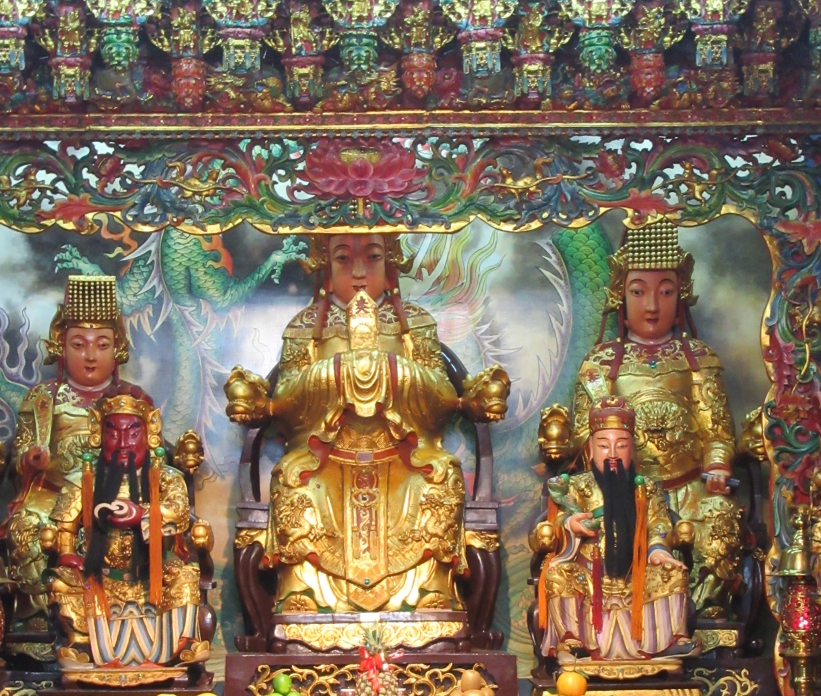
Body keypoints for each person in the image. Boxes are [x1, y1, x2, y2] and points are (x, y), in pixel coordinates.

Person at [224, 232, 510, 650]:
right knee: (295, 485)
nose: (358, 272)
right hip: (323, 458)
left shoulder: (415, 324)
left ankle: (428, 595)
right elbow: (285, 399)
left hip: (405, 456)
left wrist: (389, 371)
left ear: (390, 262)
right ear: (325, 265)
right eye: (344, 259)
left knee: (439, 480)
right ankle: (306, 597)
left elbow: (440, 395)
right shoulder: (305, 328)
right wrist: (340, 371)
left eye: (372, 257)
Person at [569, 218, 740, 614]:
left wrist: (717, 465)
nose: (651, 305)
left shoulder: (699, 359)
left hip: (690, 486)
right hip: (624, 487)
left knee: (720, 516)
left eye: (665, 292)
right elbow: (585, 434)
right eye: (638, 291)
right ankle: (618, 611)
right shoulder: (601, 363)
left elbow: (717, 431)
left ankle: (703, 611)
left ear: (681, 295)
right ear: (620, 294)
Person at [0, 274, 129, 645]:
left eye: (102, 345)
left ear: (117, 348)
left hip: (114, 492)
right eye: (78, 344)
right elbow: (21, 451)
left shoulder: (131, 399)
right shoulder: (43, 398)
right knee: (26, 526)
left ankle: (119, 621)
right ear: (61, 346)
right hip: (50, 493)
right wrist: (31, 459)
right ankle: (39, 622)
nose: (90, 355)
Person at [45, 384, 206, 675]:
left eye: (132, 433)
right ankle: (82, 645)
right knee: (60, 582)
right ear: (98, 431)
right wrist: (68, 554)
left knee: (186, 575)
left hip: (152, 578)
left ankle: (179, 645)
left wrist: (142, 514)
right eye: (112, 433)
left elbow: (180, 514)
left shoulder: (168, 478)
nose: (122, 443)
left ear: (149, 431)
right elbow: (63, 528)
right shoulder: (83, 478)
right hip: (101, 578)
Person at [534, 397, 694, 662]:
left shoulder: (646, 488)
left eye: (621, 445)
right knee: (557, 574)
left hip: (636, 575)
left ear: (632, 450)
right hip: (589, 574)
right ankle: (572, 641)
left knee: (673, 572)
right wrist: (570, 526)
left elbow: (660, 524)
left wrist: (658, 550)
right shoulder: (575, 487)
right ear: (590, 450)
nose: (612, 453)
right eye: (603, 445)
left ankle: (670, 641)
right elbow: (551, 528)